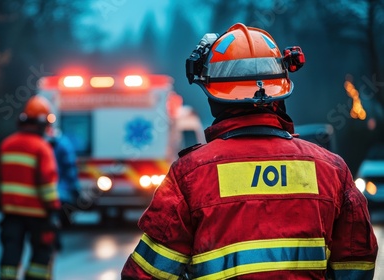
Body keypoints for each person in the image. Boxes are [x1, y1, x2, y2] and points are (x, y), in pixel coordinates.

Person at [121, 23, 378, 279]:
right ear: (281, 92)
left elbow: (147, 275)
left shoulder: (189, 175)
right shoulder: (331, 170)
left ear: (214, 98)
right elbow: (356, 263)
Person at [0, 95, 60, 280]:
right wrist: (53, 209)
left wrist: (1, 203)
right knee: (41, 254)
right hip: (38, 216)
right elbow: (47, 183)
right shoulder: (42, 148)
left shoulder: (6, 144)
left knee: (10, 253)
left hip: (11, 213)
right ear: (42, 123)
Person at [46, 128, 80, 228]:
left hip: (57, 186)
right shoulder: (64, 144)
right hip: (59, 187)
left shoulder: (45, 144)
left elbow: (69, 167)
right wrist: (74, 187)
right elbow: (70, 167)